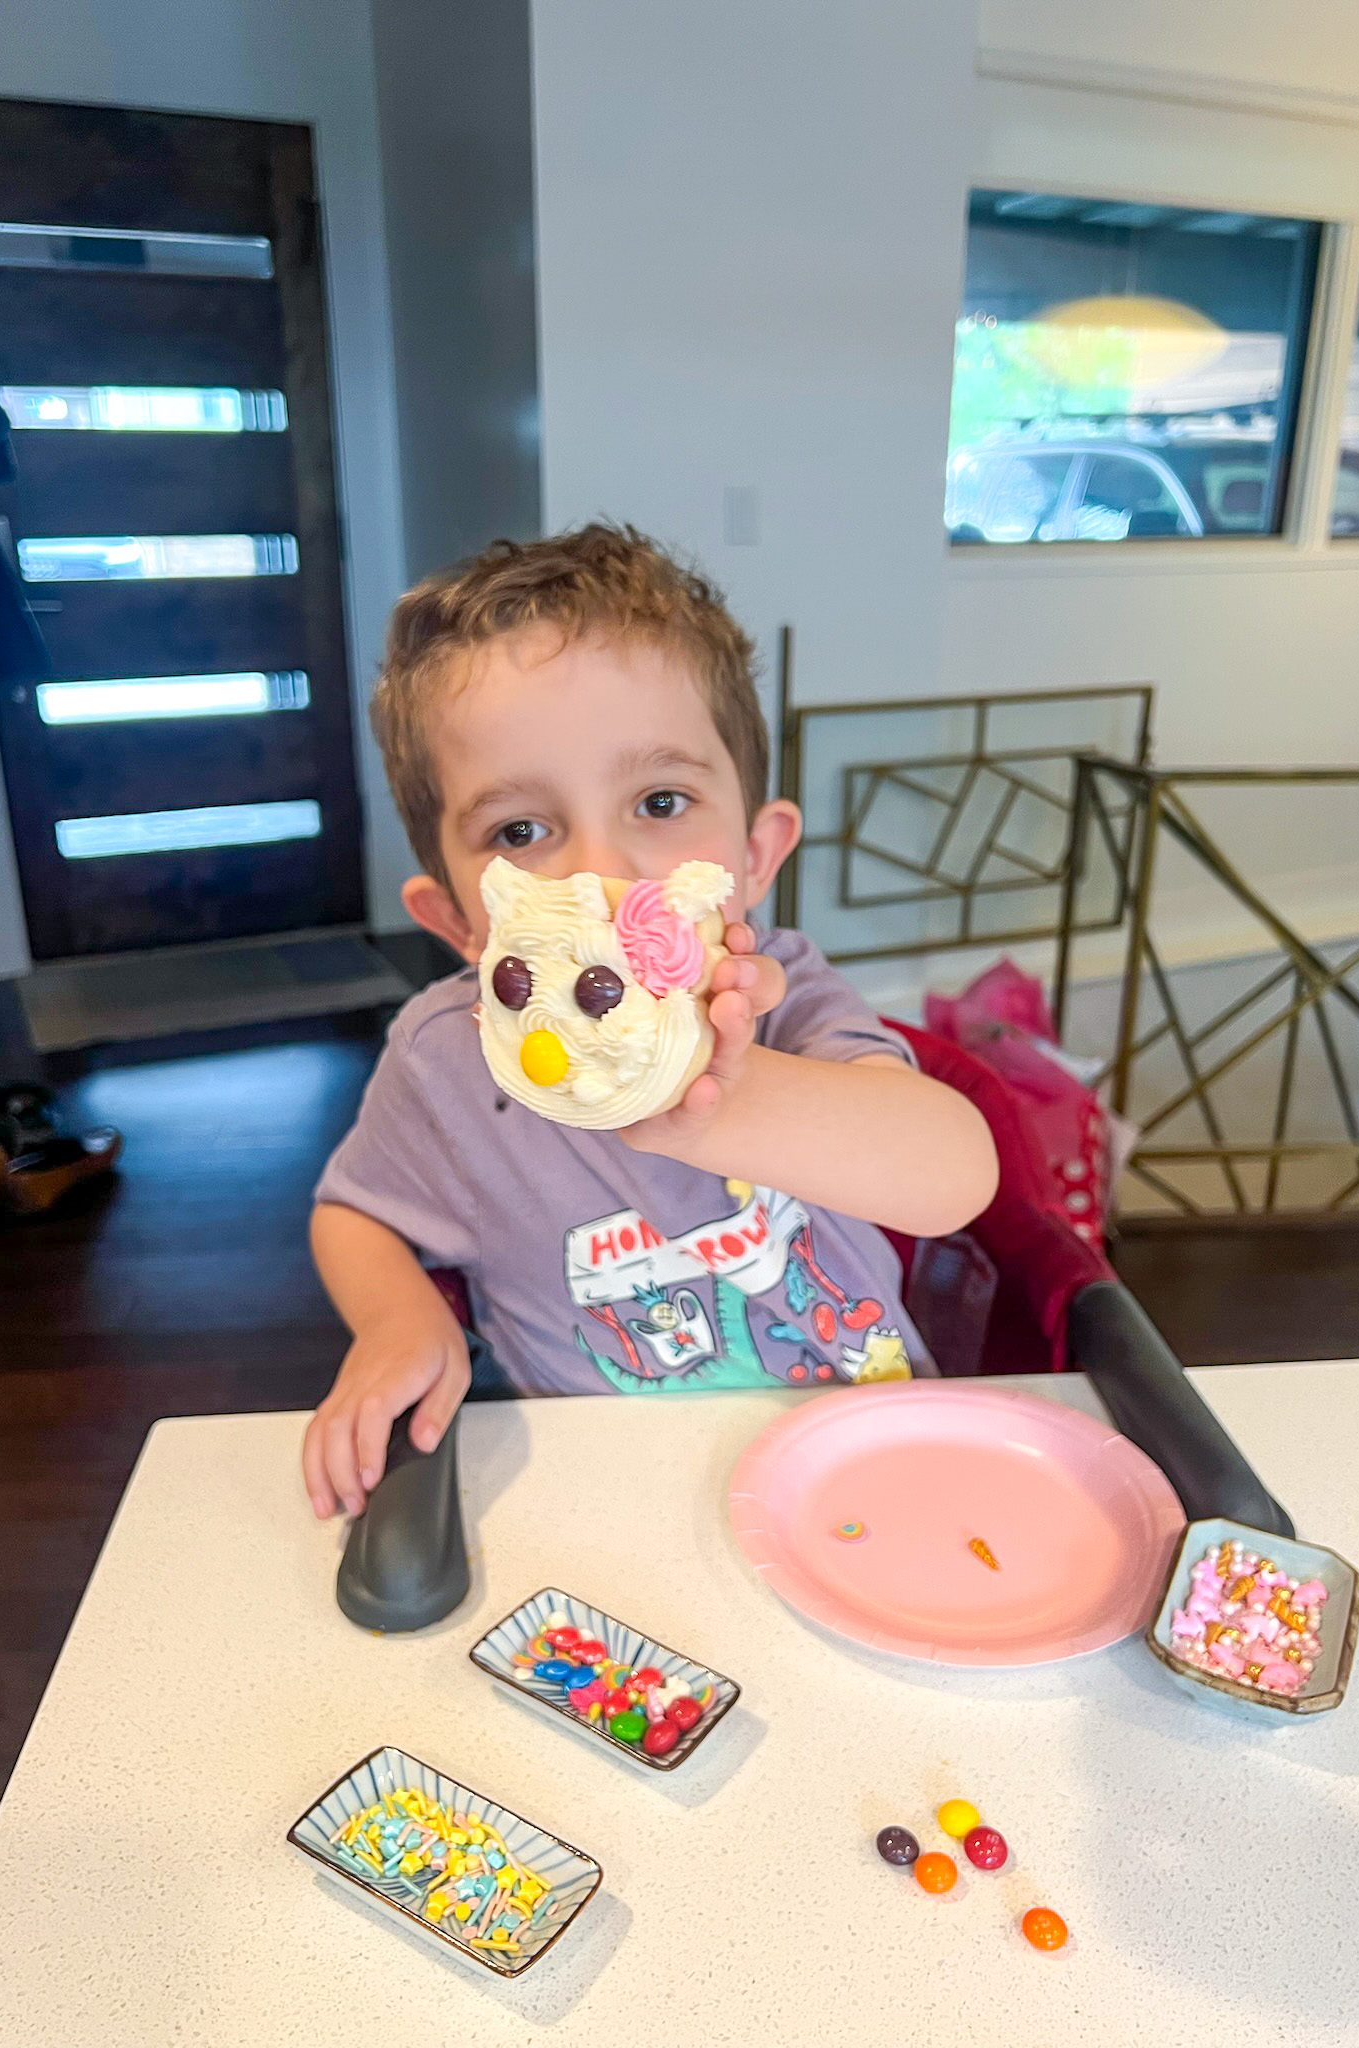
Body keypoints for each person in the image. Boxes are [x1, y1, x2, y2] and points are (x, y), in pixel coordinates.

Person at [302, 524, 998, 1519]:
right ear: (457, 919)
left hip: (869, 1473)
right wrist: (398, 1320)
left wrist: (725, 1099)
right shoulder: (445, 1061)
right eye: (521, 832)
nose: (598, 875)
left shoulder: (783, 996)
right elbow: (353, 1211)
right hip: (618, 1498)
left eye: (660, 799)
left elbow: (952, 1177)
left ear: (756, 856)